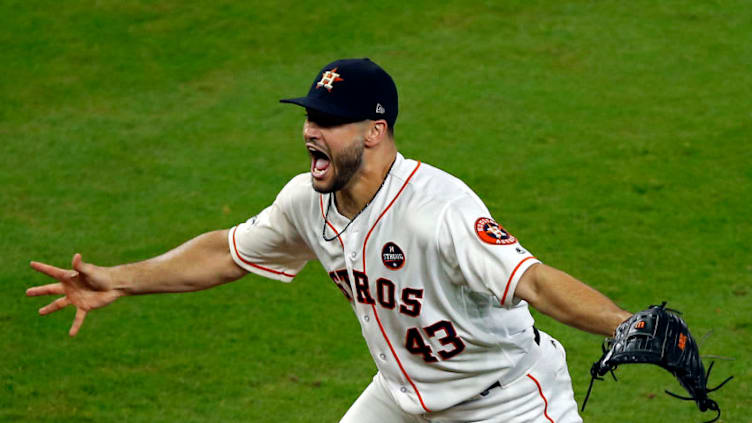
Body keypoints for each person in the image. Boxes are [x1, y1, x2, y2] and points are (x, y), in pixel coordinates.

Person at [27, 58, 632, 422]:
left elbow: (531, 279)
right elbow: (229, 252)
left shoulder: (438, 210)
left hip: (503, 403)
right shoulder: (306, 201)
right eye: (309, 117)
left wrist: (624, 325)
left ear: (375, 131)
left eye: (328, 122)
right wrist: (118, 279)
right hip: (402, 400)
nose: (311, 132)